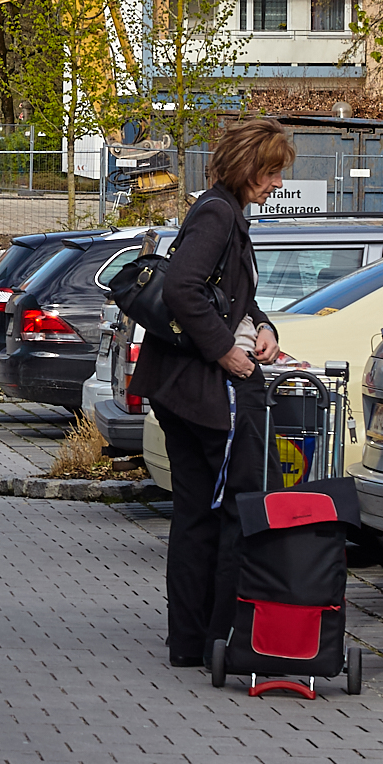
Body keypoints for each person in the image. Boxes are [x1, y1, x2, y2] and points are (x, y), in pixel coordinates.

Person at [129, 116, 295, 669]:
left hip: (184, 388)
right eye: (271, 173)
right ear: (248, 166)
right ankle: (217, 639)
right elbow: (182, 287)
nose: (276, 184)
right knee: (221, 513)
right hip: (200, 391)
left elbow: (228, 293)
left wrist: (263, 326)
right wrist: (225, 349)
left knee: (198, 511)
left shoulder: (223, 210)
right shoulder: (218, 213)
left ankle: (195, 641)